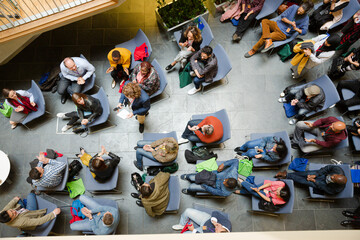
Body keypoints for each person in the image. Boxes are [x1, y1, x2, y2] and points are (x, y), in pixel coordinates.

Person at [245, 1, 313, 58]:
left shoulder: (306, 19)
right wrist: (290, 22)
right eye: (298, 10)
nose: (298, 12)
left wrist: (296, 29)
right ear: (300, 6)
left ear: (305, 12)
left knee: (264, 37)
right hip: (278, 24)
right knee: (264, 21)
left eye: (300, 12)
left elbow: (304, 32)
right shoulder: (294, 7)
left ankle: (253, 50)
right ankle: (269, 41)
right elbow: (283, 17)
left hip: (283, 34)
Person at [275, 165, 347, 195]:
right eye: (334, 176)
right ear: (338, 174)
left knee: (305, 181)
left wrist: (314, 180)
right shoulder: (338, 170)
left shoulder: (337, 189)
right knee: (306, 173)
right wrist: (315, 175)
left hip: (323, 183)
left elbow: (325, 188)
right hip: (322, 174)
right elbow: (327, 168)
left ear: (336, 183)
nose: (332, 177)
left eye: (334, 179)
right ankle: (286, 175)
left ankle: (286, 175)